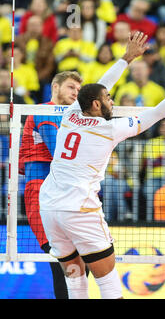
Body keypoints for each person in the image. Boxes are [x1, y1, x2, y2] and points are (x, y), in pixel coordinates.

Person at [38, 31, 165, 299]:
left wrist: (126, 58)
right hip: (79, 207)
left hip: (49, 206)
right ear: (96, 105)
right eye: (108, 98)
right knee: (108, 283)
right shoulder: (109, 128)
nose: (112, 100)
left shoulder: (71, 113)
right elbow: (156, 113)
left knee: (75, 280)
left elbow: (97, 86)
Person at [19, 70, 83, 299]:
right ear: (55, 87)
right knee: (61, 259)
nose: (75, 93)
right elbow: (59, 154)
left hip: (61, 192)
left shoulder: (70, 116)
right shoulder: (45, 111)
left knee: (75, 260)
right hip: (40, 190)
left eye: (78, 90)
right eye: (70, 88)